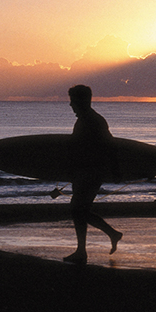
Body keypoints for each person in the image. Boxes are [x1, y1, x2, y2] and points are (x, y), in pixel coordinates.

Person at [64, 84, 122, 264]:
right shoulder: (84, 119)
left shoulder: (93, 120)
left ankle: (83, 251)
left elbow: (109, 145)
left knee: (77, 209)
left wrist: (116, 170)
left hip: (92, 171)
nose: (70, 105)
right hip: (84, 171)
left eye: (72, 101)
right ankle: (110, 235)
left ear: (82, 101)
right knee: (80, 210)